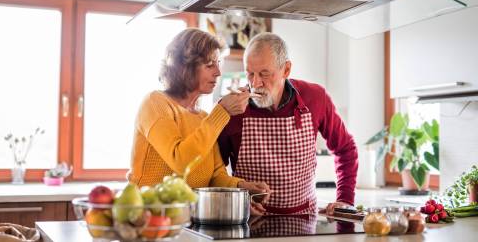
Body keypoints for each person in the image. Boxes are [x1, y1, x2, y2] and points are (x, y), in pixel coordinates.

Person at [127, 28, 270, 214]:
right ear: (184, 67)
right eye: (210, 65)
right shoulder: (155, 103)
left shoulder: (204, 117)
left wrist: (242, 187)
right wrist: (222, 112)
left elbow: (216, 175)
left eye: (218, 63)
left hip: (189, 220)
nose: (218, 72)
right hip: (147, 219)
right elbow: (181, 161)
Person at [218, 32, 358, 216]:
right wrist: (236, 200)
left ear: (286, 70)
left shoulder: (315, 97)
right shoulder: (232, 109)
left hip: (304, 220)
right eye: (250, 73)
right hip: (248, 221)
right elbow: (215, 171)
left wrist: (345, 199)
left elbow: (346, 149)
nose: (255, 83)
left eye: (264, 74)